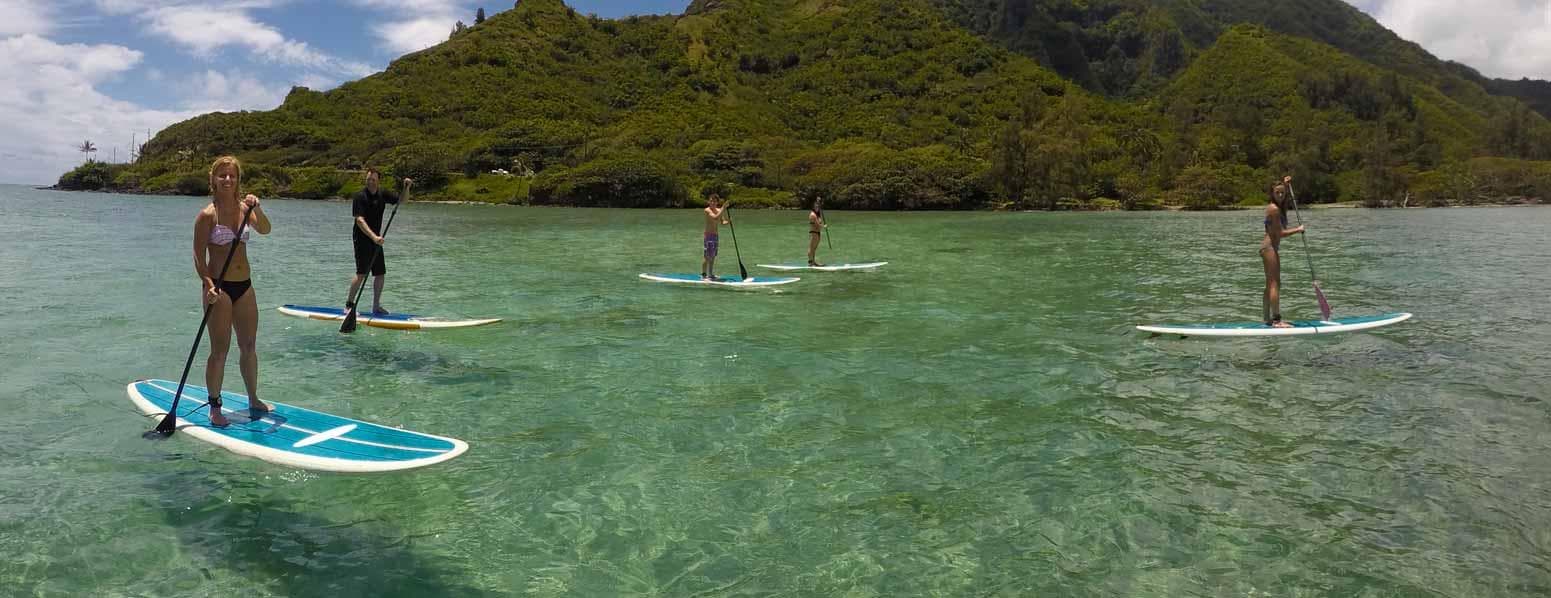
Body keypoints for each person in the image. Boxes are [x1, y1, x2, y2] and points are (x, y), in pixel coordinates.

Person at [193, 156, 272, 426]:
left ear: (238, 179)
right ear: (213, 179)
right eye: (222, 175)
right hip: (219, 287)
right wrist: (208, 284)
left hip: (245, 286)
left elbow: (265, 229)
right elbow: (197, 255)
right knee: (220, 351)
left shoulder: (245, 209)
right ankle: (214, 406)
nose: (227, 180)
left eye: (232, 175)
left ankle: (253, 398)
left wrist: (257, 209)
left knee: (249, 346)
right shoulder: (207, 214)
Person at [347, 169, 411, 314]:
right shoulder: (360, 197)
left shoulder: (383, 194)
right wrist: (374, 237)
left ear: (378, 181)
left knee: (380, 273)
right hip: (362, 239)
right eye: (368, 179)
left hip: (376, 240)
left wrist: (407, 187)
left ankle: (376, 306)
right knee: (362, 273)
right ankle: (349, 305)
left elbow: (403, 200)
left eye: (373, 180)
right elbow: (359, 220)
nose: (370, 182)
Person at [1261, 175, 1306, 328]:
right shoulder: (1273, 209)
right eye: (1277, 193)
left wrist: (1287, 185)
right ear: (1272, 193)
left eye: (1282, 192)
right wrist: (1298, 230)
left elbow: (1286, 204)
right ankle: (1276, 320)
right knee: (1275, 283)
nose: (1280, 195)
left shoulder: (1278, 207)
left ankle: (1267, 319)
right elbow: (1280, 233)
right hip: (1269, 248)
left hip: (1269, 248)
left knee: (1270, 284)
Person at [702, 193, 730, 280]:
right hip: (708, 235)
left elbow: (722, 222)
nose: (713, 203)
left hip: (715, 236)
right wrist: (723, 208)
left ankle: (710, 274)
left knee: (713, 256)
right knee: (707, 256)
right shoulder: (707, 210)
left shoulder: (719, 210)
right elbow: (715, 218)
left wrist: (728, 222)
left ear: (717, 202)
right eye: (711, 201)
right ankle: (703, 274)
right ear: (708, 202)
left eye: (714, 201)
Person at [807, 195, 828, 267]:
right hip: (814, 233)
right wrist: (824, 226)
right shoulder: (813, 215)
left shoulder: (817, 214)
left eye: (818, 207)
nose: (817, 208)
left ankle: (814, 262)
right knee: (811, 248)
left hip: (818, 233)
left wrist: (819, 201)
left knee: (814, 248)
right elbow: (817, 225)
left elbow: (819, 223)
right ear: (813, 207)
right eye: (816, 207)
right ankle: (810, 262)